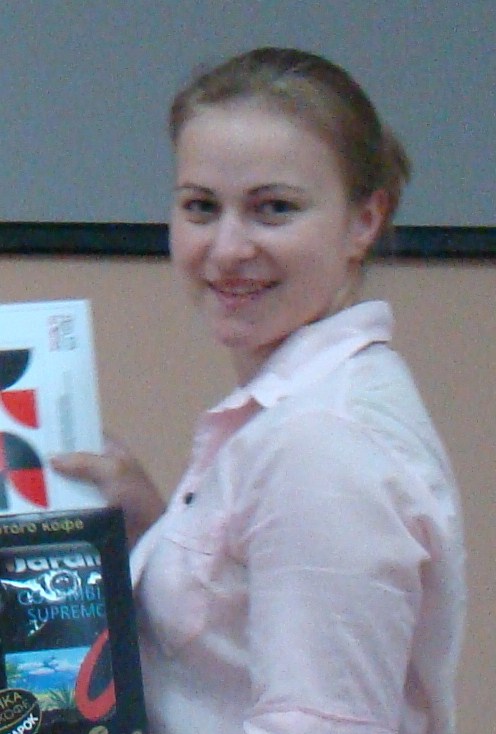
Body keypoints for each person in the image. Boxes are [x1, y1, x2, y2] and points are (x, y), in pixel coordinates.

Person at [52, 47, 466, 734]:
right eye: (201, 207)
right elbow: (238, 648)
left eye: (274, 209)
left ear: (364, 220)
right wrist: (155, 528)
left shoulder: (321, 446)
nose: (227, 249)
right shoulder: (291, 413)